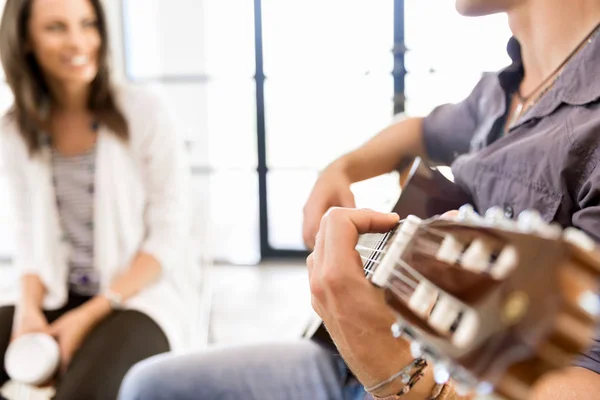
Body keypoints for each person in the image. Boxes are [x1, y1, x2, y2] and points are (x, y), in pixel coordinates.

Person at [118, 0, 600, 399]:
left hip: (418, 384)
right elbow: (418, 131)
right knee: (150, 384)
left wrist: (401, 377)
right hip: (358, 360)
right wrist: (341, 168)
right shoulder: (504, 89)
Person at [0, 0, 196, 399]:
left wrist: (89, 316)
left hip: (136, 297)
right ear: (25, 42)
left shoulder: (145, 112)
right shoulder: (14, 131)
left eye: (87, 24)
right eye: (56, 27)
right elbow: (27, 239)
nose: (79, 41)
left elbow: (168, 236)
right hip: (58, 291)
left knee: (83, 391)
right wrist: (29, 311)